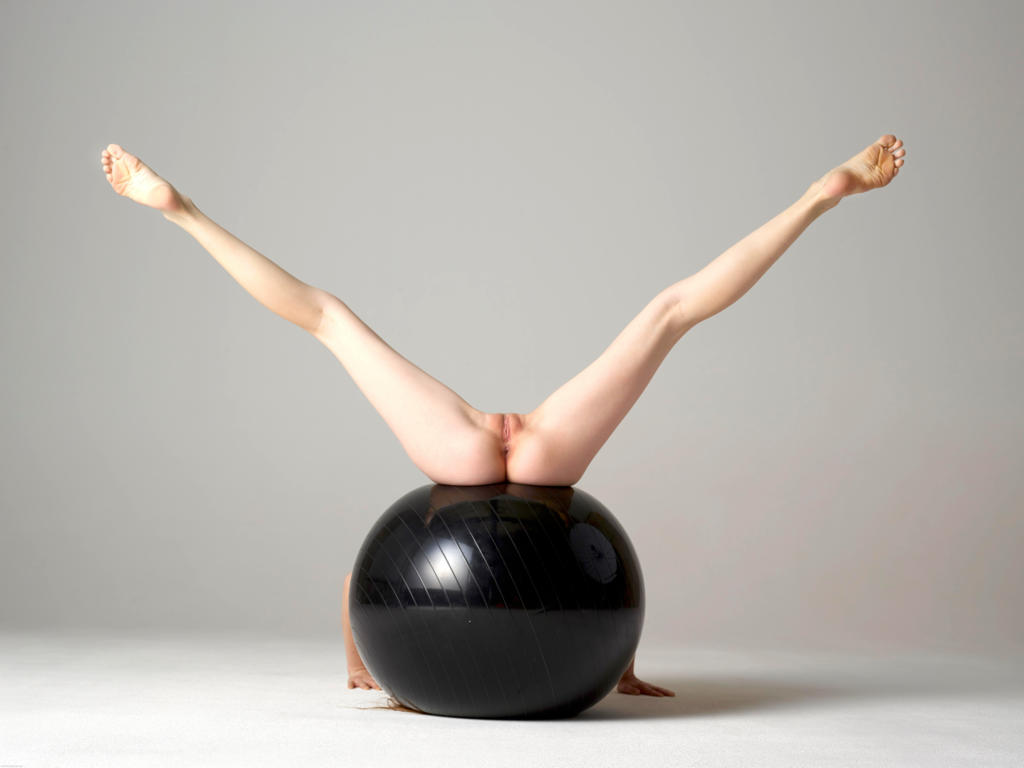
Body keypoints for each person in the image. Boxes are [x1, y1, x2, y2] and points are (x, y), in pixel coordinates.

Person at [99, 134, 906, 699]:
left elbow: (362, 583)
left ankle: (182, 211)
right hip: (545, 450)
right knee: (669, 313)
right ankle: (816, 199)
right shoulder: (554, 501)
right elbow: (593, 582)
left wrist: (362, 663)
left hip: (462, 450)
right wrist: (614, 664)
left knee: (328, 319)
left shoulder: (407, 545)